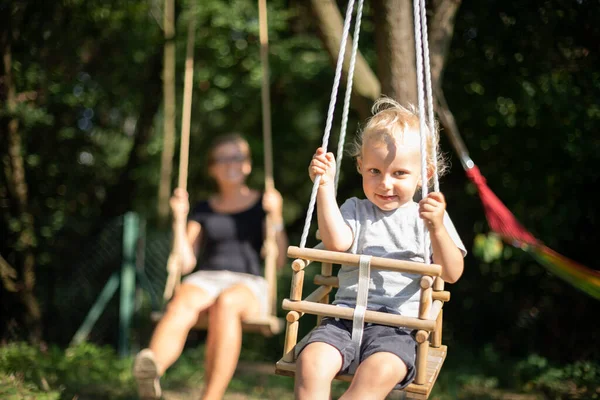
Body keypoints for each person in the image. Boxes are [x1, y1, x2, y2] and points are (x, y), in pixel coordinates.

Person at [294, 97, 467, 400]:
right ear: (360, 166)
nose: (385, 184)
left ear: (424, 174)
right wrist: (324, 187)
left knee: (380, 373)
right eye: (374, 171)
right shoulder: (354, 209)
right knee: (311, 361)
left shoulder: (427, 215)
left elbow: (452, 273)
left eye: (399, 173)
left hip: (397, 328)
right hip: (343, 319)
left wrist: (437, 228)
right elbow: (336, 243)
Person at [133, 133, 288, 400]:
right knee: (182, 297)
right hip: (206, 279)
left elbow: (280, 259)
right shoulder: (203, 208)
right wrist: (179, 220)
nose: (231, 164)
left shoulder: (264, 204)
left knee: (227, 303)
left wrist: (276, 215)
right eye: (222, 159)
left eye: (237, 157)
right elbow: (186, 262)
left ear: (248, 164)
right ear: (212, 168)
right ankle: (152, 370)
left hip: (248, 283)